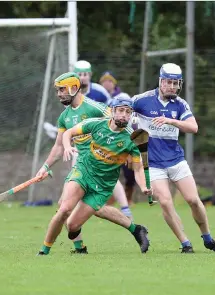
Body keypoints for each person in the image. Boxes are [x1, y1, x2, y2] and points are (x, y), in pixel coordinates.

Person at [36, 72, 151, 255]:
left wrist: (131, 144)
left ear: (74, 88)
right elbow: (59, 146)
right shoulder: (64, 117)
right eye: (57, 91)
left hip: (105, 170)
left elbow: (118, 120)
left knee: (82, 211)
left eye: (61, 90)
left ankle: (134, 229)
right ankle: (72, 248)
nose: (59, 94)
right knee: (65, 208)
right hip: (83, 163)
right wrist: (45, 167)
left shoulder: (95, 108)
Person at [131, 62, 215, 253]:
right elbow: (120, 112)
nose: (172, 86)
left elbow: (193, 127)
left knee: (194, 200)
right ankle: (185, 243)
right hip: (153, 163)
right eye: (169, 82)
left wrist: (170, 120)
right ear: (161, 81)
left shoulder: (180, 105)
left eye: (176, 83)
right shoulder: (141, 100)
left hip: (176, 160)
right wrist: (131, 129)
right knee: (165, 201)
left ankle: (208, 238)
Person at [74, 61, 133, 217]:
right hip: (80, 146)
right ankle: (73, 208)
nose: (83, 77)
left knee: (108, 174)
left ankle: (125, 209)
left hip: (100, 141)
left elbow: (112, 112)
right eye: (80, 74)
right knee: (77, 177)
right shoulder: (71, 94)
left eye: (85, 74)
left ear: (90, 75)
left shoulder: (100, 92)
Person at [100, 71, 136, 205]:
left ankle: (129, 197)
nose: (106, 83)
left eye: (109, 81)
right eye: (104, 81)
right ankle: (108, 200)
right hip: (109, 139)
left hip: (124, 138)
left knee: (129, 171)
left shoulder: (123, 97)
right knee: (109, 169)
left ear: (114, 83)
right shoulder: (101, 99)